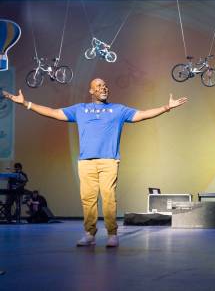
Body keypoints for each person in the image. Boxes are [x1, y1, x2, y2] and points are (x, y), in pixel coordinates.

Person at [2, 78, 187, 247]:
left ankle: (112, 234)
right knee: (88, 200)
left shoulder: (118, 110)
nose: (103, 87)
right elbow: (53, 112)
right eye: (98, 86)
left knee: (108, 198)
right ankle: (89, 234)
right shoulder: (80, 109)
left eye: (105, 85)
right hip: (86, 162)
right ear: (91, 91)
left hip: (109, 160)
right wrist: (26, 103)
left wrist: (166, 107)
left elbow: (142, 114)